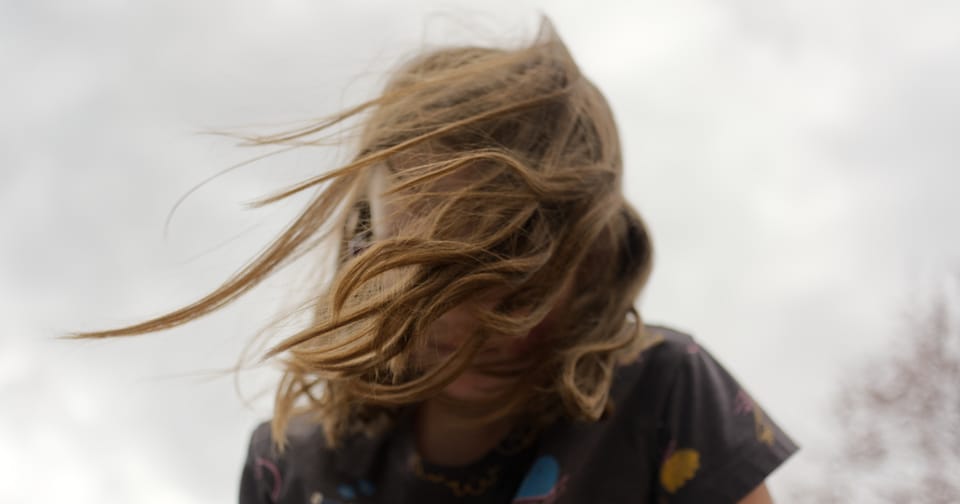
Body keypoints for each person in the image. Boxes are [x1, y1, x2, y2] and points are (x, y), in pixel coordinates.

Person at [75, 20, 796, 503]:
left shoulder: (660, 396)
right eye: (441, 274)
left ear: (594, 265)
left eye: (526, 280)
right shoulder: (291, 467)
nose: (484, 320)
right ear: (370, 242)